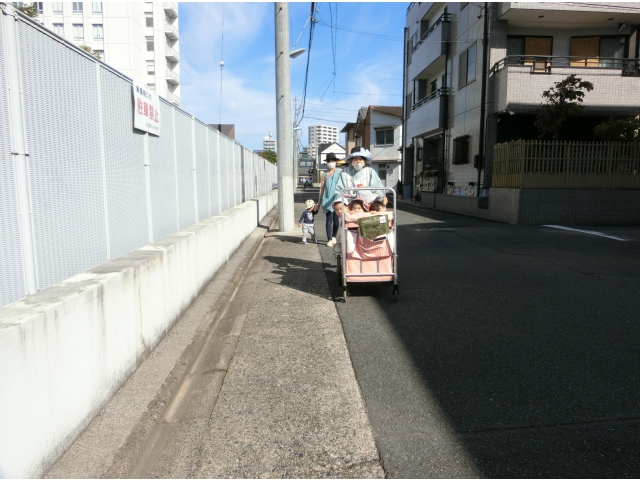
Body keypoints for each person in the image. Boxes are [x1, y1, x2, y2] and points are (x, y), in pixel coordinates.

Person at [317, 152, 342, 247]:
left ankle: (334, 236)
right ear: (326, 162)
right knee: (329, 220)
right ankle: (329, 239)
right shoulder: (323, 174)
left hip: (337, 199)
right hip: (327, 200)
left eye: (333, 160)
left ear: (336, 161)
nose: (331, 162)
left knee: (336, 220)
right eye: (329, 161)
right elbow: (322, 188)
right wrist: (319, 202)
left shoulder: (340, 171)